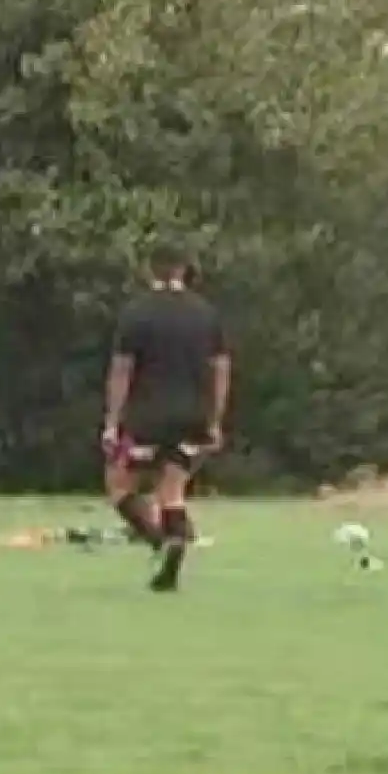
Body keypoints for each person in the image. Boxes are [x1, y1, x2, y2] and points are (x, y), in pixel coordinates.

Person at [100, 250, 230, 592]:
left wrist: (113, 422)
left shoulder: (137, 313)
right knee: (172, 490)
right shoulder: (206, 313)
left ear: (149, 270)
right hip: (192, 415)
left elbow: (122, 370)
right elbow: (220, 371)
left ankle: (160, 542)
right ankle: (174, 545)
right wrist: (215, 420)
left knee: (118, 485)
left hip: (147, 417)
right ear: (186, 270)